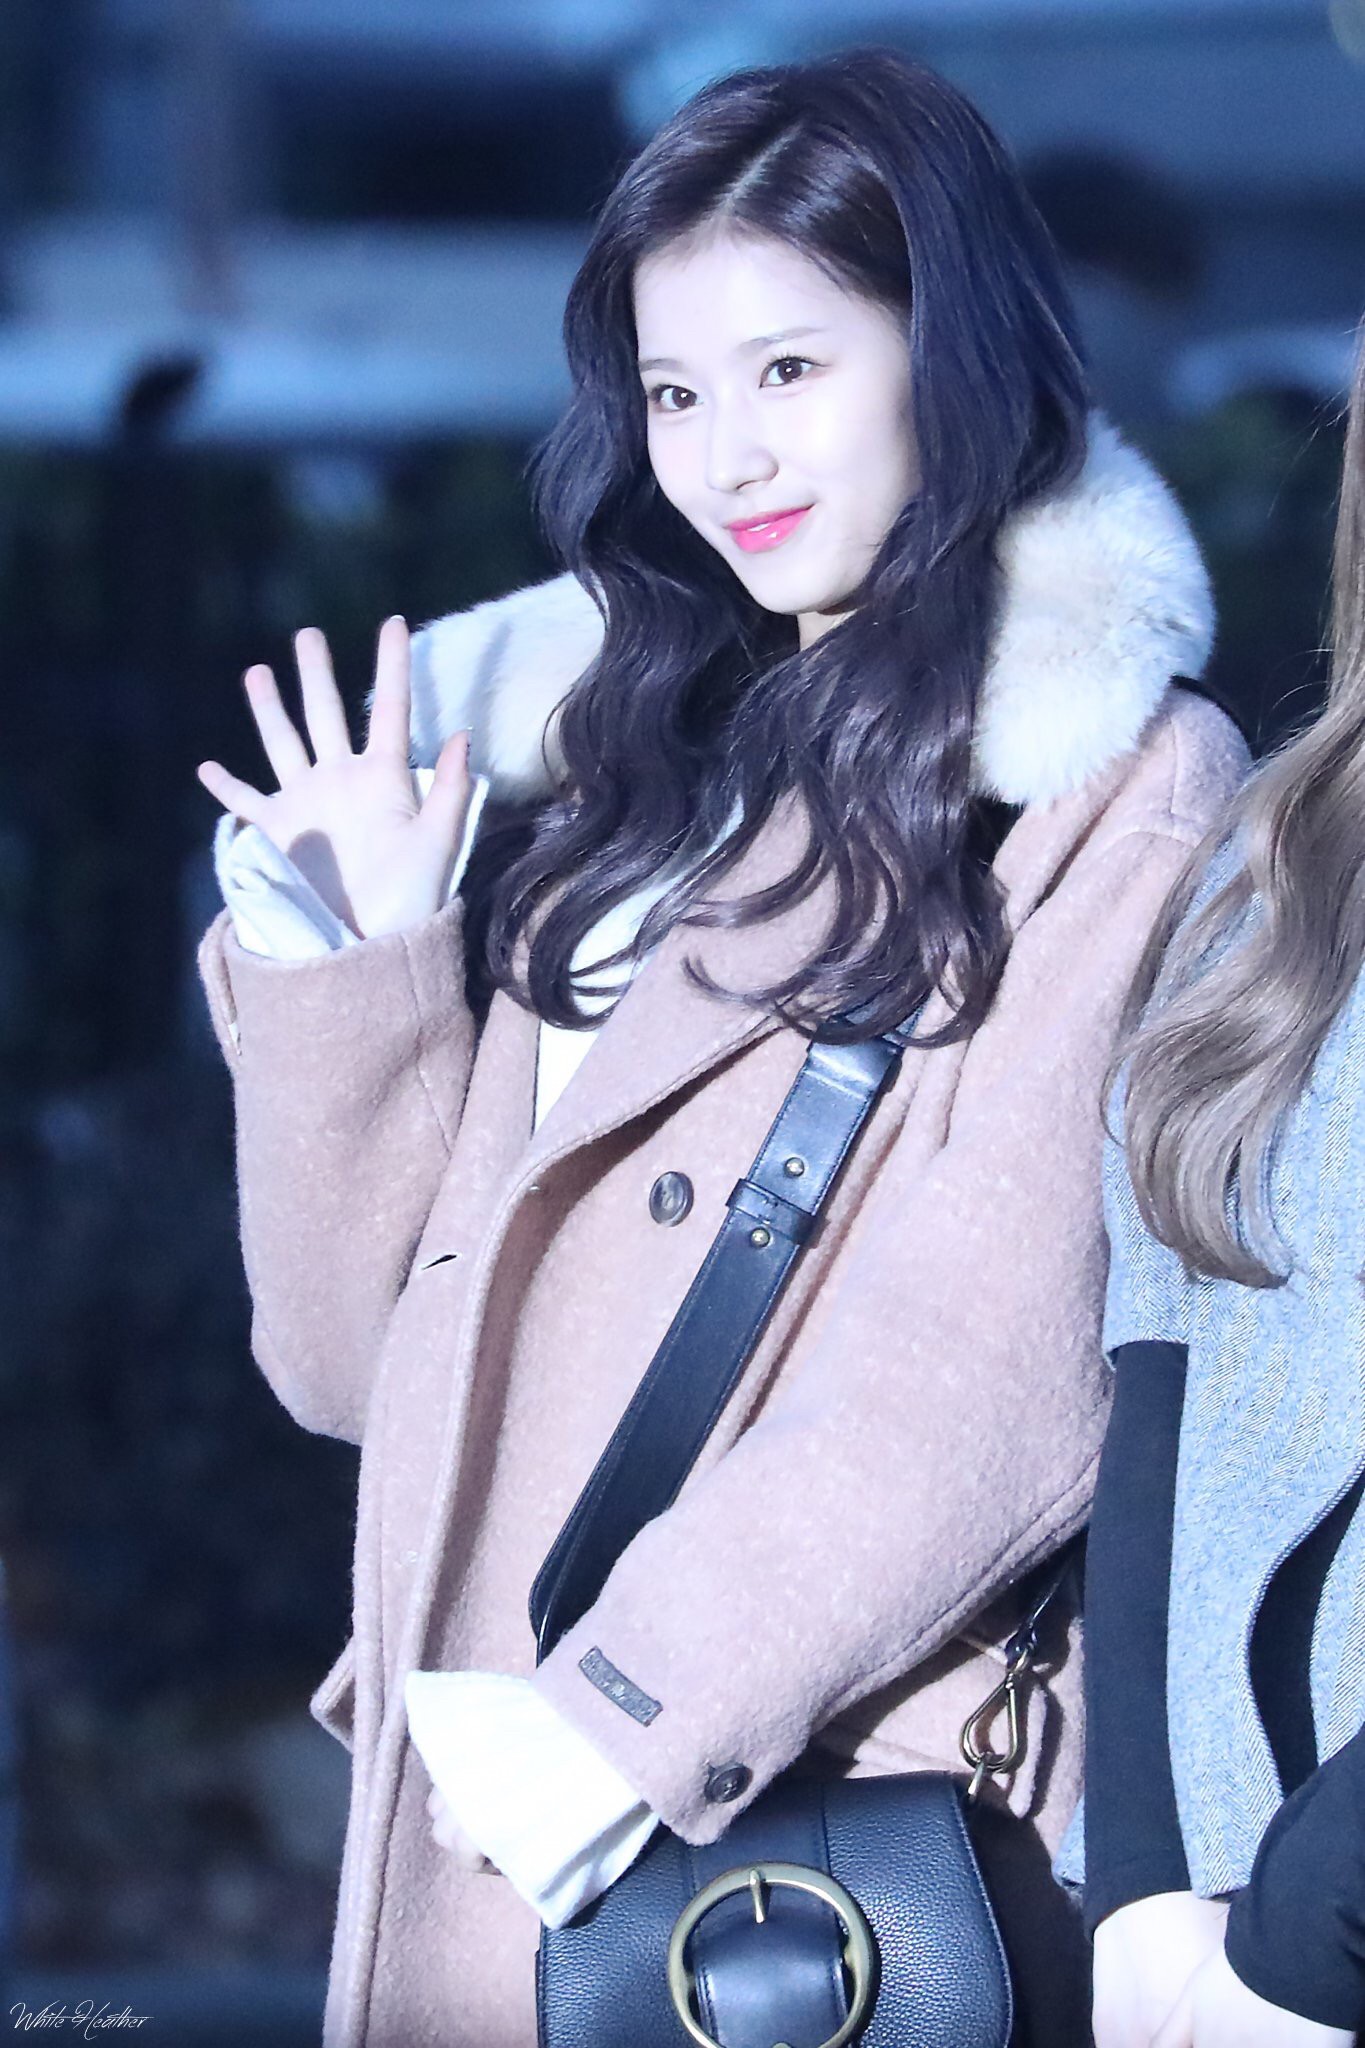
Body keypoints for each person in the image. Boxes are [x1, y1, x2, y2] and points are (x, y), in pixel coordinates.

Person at [194, 49, 1246, 2048]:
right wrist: (351, 955)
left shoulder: (1107, 774)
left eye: (787, 370)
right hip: (488, 1796)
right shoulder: (640, 770)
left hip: (769, 1830)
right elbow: (352, 1376)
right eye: (672, 394)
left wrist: (624, 1712)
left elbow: (997, 1344)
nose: (722, 453)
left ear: (951, 354)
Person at [1080, 335, 1365, 2048]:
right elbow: (1158, 1379)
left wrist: (1304, 1933)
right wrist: (1137, 1904)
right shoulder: (1283, 862)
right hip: (1215, 1938)